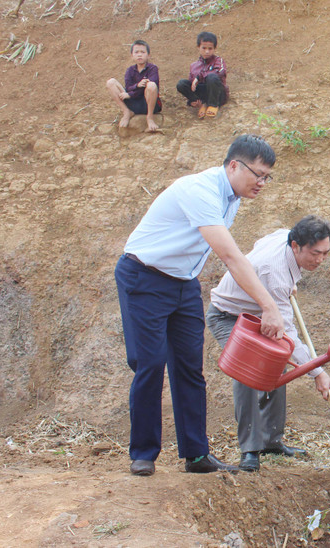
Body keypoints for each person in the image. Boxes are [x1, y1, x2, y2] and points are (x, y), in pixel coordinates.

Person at [114, 134, 286, 477]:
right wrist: (268, 305)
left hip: (183, 285)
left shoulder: (231, 198)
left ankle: (196, 455)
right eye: (259, 174)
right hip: (144, 277)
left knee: (190, 368)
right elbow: (229, 255)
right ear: (234, 165)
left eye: (268, 177)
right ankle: (144, 453)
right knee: (150, 363)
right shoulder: (200, 190)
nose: (262, 183)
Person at [206, 216, 330, 472]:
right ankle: (250, 450)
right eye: (315, 253)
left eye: (325, 253)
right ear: (296, 246)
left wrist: (289, 285)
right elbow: (289, 337)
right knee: (248, 375)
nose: (320, 260)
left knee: (276, 367)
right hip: (229, 315)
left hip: (259, 312)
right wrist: (318, 372)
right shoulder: (274, 276)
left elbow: (262, 241)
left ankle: (271, 441)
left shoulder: (284, 237)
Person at [105, 40, 162, 132]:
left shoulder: (152, 68)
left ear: (148, 55)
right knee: (110, 82)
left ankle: (150, 118)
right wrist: (137, 86)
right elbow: (128, 87)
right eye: (136, 52)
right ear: (132, 56)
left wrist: (131, 94)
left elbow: (153, 86)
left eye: (143, 52)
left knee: (151, 85)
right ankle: (127, 112)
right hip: (133, 104)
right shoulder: (130, 70)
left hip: (148, 103)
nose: (139, 55)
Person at [176, 31, 228, 119]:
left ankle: (213, 105)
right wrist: (191, 100)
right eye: (204, 48)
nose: (207, 51)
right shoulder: (194, 66)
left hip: (217, 93)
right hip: (203, 95)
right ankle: (201, 104)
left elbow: (220, 73)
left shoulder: (218, 61)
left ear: (214, 48)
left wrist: (199, 77)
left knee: (212, 77)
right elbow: (192, 85)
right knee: (181, 84)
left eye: (210, 48)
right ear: (198, 47)